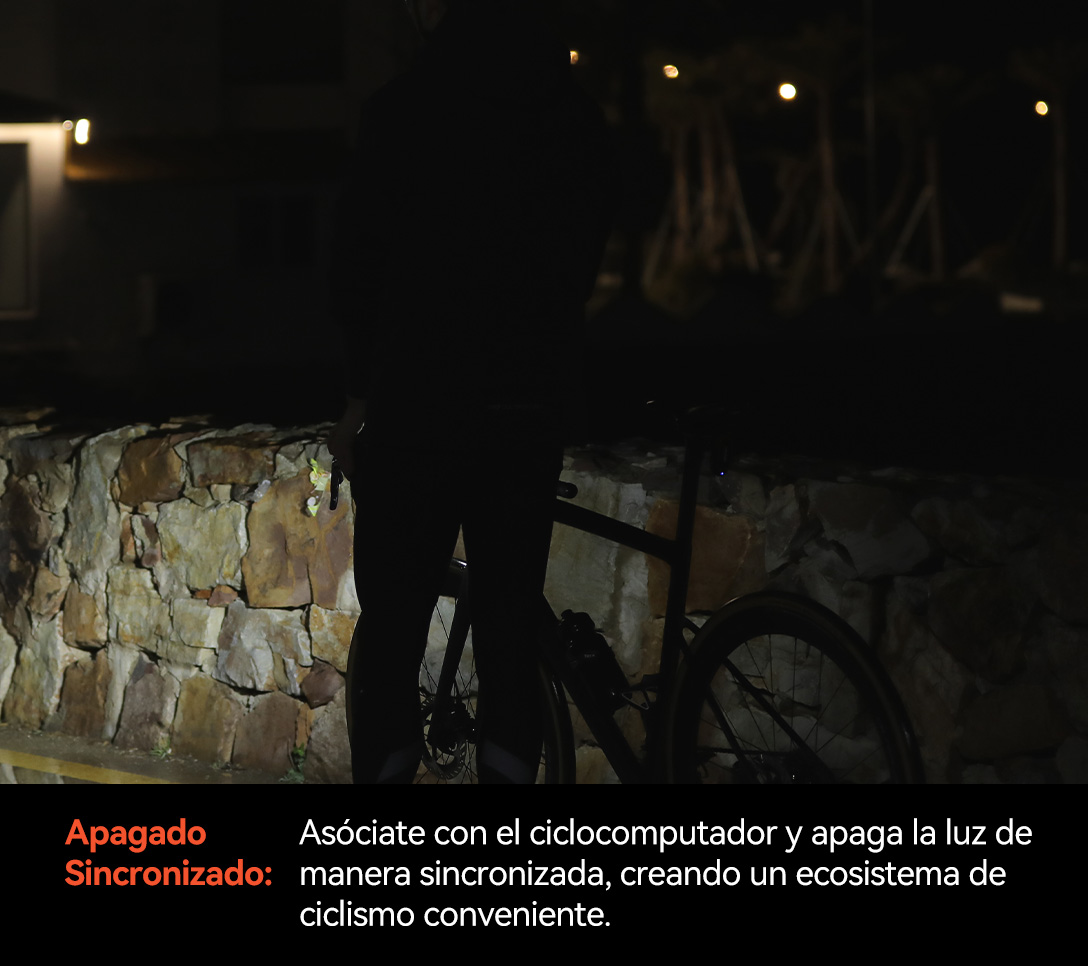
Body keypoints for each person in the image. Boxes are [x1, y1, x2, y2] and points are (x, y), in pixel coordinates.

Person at [326, 0, 611, 783]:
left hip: (418, 398)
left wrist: (358, 395)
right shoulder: (569, 111)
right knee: (511, 632)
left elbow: (356, 262)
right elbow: (588, 243)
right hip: (529, 400)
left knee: (394, 632)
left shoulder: (403, 109)